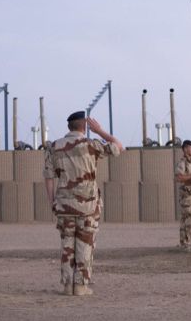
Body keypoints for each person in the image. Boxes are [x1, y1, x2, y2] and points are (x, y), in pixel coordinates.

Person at [43, 111, 124, 296]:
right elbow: (119, 147)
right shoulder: (91, 145)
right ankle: (80, 286)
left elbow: (48, 176)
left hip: (63, 205)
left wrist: (52, 202)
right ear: (84, 127)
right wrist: (100, 131)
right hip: (87, 207)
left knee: (67, 245)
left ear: (68, 126)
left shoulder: (54, 147)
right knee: (85, 244)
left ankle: (67, 285)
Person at [174, 139, 191, 251]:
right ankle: (186, 243)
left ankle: (188, 242)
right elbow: (179, 178)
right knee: (187, 219)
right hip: (187, 196)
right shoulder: (182, 163)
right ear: (185, 149)